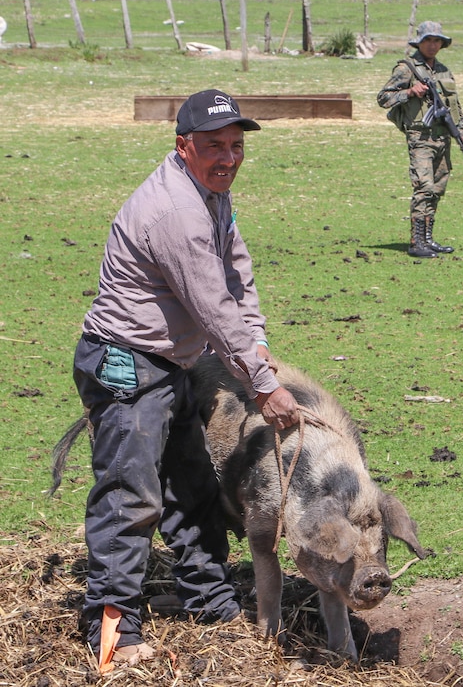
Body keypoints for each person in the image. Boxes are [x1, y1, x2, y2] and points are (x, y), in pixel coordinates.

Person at [72, 89, 300, 669]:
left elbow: (237, 275)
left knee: (194, 488)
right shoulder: (175, 209)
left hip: (170, 362)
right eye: (213, 146)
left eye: (235, 145)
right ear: (183, 146)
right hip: (127, 362)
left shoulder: (212, 193)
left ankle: (210, 602)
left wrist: (262, 346)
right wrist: (262, 385)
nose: (227, 157)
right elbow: (211, 306)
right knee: (131, 495)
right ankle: (112, 632)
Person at [377, 21, 463, 258]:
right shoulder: (406, 68)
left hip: (443, 138)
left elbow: (455, 106)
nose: (433, 45)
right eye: (428, 40)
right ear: (419, 42)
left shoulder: (443, 70)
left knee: (437, 189)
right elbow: (383, 98)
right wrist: (410, 92)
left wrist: (461, 132)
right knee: (424, 187)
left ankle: (428, 239)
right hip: (420, 138)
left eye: (437, 41)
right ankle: (416, 242)